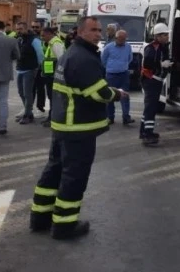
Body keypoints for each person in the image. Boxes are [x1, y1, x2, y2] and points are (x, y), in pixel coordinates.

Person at [29, 16, 128, 240]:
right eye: (93, 30)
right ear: (81, 32)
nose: (98, 34)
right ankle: (65, 226)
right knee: (74, 177)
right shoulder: (85, 58)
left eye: (100, 30)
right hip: (78, 128)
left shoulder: (70, 54)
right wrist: (118, 94)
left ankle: (40, 218)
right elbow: (98, 93)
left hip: (62, 124)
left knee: (53, 171)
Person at [139, 23, 171, 145]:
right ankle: (148, 135)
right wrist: (161, 64)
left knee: (149, 108)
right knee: (150, 108)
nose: (167, 36)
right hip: (150, 80)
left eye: (167, 34)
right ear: (157, 36)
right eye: (165, 35)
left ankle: (144, 132)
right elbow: (147, 63)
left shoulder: (163, 47)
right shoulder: (151, 48)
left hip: (157, 80)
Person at [101, 29, 134, 125]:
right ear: (116, 38)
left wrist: (123, 66)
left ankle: (126, 117)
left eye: (124, 39)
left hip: (124, 74)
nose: (123, 41)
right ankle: (110, 117)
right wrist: (111, 67)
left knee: (125, 96)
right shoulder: (108, 47)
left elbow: (130, 58)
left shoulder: (128, 46)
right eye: (121, 39)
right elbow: (103, 60)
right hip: (111, 75)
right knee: (110, 96)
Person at [15, 22, 44, 124]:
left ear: (26, 28)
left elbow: (40, 53)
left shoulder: (34, 39)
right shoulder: (19, 39)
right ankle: (28, 112)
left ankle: (27, 115)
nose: (19, 31)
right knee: (21, 92)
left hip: (30, 69)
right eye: (17, 29)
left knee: (28, 93)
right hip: (20, 68)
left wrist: (39, 67)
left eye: (21, 29)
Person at [39, 27, 66, 128]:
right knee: (51, 97)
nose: (42, 38)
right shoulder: (51, 43)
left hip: (54, 76)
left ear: (50, 34)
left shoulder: (56, 43)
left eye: (43, 35)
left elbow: (61, 60)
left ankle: (53, 118)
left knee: (54, 98)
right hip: (50, 75)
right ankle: (51, 117)